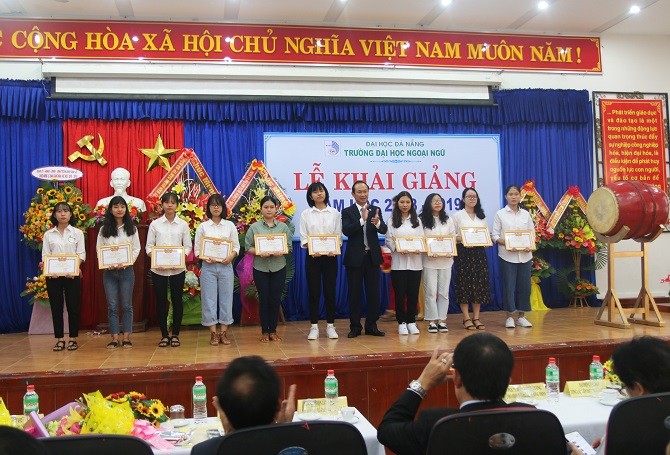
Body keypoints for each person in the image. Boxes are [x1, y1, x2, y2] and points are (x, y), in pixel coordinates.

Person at [378, 333, 532, 455]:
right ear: (508, 381)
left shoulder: (437, 424)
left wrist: (422, 382)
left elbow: (386, 431)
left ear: (456, 378)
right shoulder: (530, 417)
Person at [191, 356, 297, 455]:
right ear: (278, 407)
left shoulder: (203, 451)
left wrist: (229, 437)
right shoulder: (299, 445)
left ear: (223, 411)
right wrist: (283, 432)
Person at [341, 180, 388, 338]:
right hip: (355, 259)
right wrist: (362, 220)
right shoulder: (347, 211)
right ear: (353, 194)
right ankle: (355, 327)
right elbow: (347, 231)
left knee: (374, 294)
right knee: (355, 295)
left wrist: (378, 223)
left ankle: (371, 326)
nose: (363, 194)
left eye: (365, 191)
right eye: (359, 192)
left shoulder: (375, 209)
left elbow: (384, 229)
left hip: (372, 258)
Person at [146, 192, 192, 348]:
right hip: (158, 269)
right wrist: (156, 258)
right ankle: (164, 335)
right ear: (162, 205)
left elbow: (188, 246)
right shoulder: (155, 225)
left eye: (173, 202)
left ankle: (176, 334)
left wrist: (179, 259)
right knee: (160, 301)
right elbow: (148, 247)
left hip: (177, 269)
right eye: (167, 202)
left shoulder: (183, 225)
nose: (170, 205)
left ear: (177, 205)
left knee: (177, 300)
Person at [245, 195, 294, 342]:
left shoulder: (283, 227)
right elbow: (248, 247)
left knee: (275, 300)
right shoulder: (255, 227)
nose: (269, 210)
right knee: (264, 300)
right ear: (261, 209)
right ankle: (264, 332)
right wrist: (259, 252)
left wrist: (282, 251)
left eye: (272, 207)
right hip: (260, 268)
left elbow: (289, 247)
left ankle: (273, 331)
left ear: (276, 209)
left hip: (279, 267)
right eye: (266, 207)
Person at [194, 194, 240, 346]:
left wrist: (231, 256)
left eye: (218, 204)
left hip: (226, 266)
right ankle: (213, 333)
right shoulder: (203, 227)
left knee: (226, 299)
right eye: (212, 205)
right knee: (209, 300)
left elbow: (236, 247)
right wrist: (204, 257)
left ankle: (224, 333)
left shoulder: (230, 226)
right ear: (208, 208)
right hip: (208, 268)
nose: (215, 207)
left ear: (223, 208)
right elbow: (197, 250)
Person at [96, 196, 141, 349]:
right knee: (112, 305)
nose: (119, 209)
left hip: (127, 271)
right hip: (109, 273)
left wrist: (128, 262)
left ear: (126, 209)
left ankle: (126, 337)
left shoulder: (132, 229)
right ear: (110, 210)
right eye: (116, 207)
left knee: (127, 305)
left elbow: (136, 249)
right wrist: (105, 263)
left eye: (122, 206)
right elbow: (99, 249)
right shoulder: (103, 229)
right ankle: (115, 337)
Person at [299, 182, 342, 340]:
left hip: (330, 258)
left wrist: (334, 248)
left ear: (325, 193)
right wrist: (312, 248)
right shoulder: (306, 214)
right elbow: (304, 236)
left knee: (330, 291)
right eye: (315, 192)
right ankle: (314, 326)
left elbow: (338, 235)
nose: (319, 194)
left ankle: (330, 326)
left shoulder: (334, 213)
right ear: (311, 196)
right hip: (313, 258)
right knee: (314, 292)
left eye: (321, 191)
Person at [43, 202, 86, 352]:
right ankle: (59, 339)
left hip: (71, 276)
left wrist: (73, 268)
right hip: (53, 276)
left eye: (66, 211)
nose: (63, 214)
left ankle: (73, 338)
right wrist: (51, 270)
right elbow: (45, 255)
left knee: (73, 307)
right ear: (54, 215)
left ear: (71, 214)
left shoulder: (77, 233)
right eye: (59, 211)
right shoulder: (48, 234)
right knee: (56, 308)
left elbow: (81, 254)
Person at [492, 184, 534, 329]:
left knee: (525, 287)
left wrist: (529, 244)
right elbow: (495, 235)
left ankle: (522, 316)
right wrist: (507, 243)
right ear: (506, 196)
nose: (514, 197)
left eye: (516, 194)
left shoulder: (526, 214)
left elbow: (531, 233)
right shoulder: (500, 214)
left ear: (520, 196)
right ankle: (509, 316)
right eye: (511, 194)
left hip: (525, 256)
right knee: (509, 287)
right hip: (507, 256)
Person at [452, 187, 491, 331]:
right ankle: (466, 317)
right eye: (469, 196)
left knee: (478, 284)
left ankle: (476, 317)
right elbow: (452, 236)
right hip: (464, 254)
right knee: (464, 284)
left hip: (479, 254)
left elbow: (486, 234)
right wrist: (463, 239)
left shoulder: (482, 216)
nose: (472, 199)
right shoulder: (457, 216)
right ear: (463, 199)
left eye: (474, 196)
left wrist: (486, 241)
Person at [386, 191, 424, 335]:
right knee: (400, 294)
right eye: (402, 202)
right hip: (399, 264)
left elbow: (421, 238)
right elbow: (389, 239)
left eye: (408, 202)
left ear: (411, 204)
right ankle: (401, 322)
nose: (405, 205)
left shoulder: (417, 220)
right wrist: (397, 248)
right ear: (397, 204)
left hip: (415, 263)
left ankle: (411, 322)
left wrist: (418, 248)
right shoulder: (392, 220)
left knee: (413, 294)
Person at [419, 193, 455, 333]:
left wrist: (450, 250)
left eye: (439, 200)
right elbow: (421, 239)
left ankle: (442, 320)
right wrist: (429, 250)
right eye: (434, 201)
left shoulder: (448, 219)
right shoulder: (422, 220)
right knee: (430, 292)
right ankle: (432, 320)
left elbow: (452, 237)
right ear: (428, 203)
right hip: (429, 261)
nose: (437, 203)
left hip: (446, 260)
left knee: (443, 292)